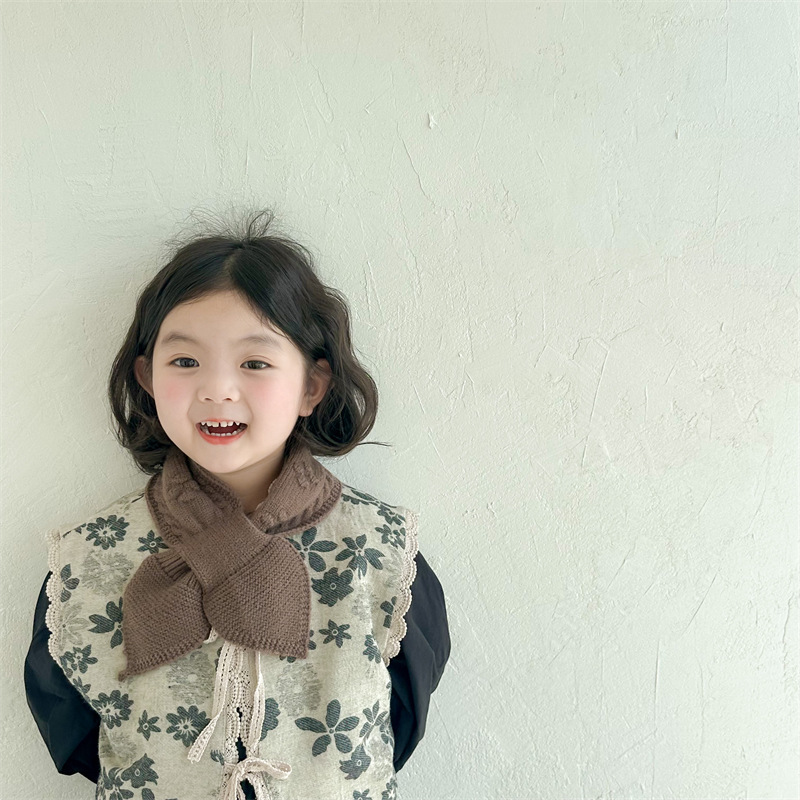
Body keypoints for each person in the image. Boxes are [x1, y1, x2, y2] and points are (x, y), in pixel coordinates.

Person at [24, 209, 450, 800]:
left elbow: (396, 725)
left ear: (311, 386)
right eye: (185, 361)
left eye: (255, 363)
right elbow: (74, 731)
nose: (218, 389)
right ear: (147, 378)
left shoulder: (382, 553)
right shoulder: (85, 560)